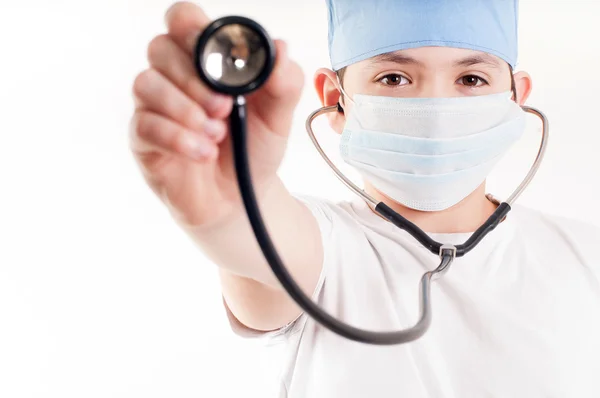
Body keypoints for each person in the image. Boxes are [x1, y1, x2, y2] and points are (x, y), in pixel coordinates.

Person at [129, 0, 600, 396]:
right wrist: (232, 204)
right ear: (335, 99)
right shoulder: (322, 250)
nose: (434, 109)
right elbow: (258, 249)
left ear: (515, 97)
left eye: (471, 80)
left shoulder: (586, 256)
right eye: (394, 78)